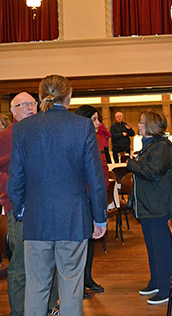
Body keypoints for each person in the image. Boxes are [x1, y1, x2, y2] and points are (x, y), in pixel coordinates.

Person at [9, 75, 107, 316]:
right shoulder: (82, 126)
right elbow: (95, 178)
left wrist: (21, 209)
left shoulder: (22, 128)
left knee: (36, 288)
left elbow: (16, 178)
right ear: (70, 96)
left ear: (40, 98)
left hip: (36, 218)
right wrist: (100, 217)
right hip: (73, 219)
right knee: (71, 287)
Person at [0, 92, 39, 316]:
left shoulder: (44, 129)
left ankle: (51, 307)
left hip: (47, 207)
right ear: (13, 111)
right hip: (20, 209)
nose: (30, 107)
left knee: (48, 262)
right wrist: (14, 185)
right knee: (21, 265)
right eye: (23, 105)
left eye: (33, 103)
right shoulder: (5, 136)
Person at [127, 110, 172, 306]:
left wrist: (131, 164)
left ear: (150, 127)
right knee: (152, 247)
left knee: (161, 248)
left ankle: (167, 289)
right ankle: (156, 281)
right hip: (151, 205)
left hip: (160, 205)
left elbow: (152, 173)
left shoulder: (162, 146)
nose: (138, 125)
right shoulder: (151, 146)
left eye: (141, 122)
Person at [73, 105, 108, 295]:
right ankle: (77, 284)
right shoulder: (78, 140)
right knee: (80, 244)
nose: (98, 123)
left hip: (94, 197)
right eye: (94, 119)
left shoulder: (97, 139)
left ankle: (87, 278)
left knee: (90, 242)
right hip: (82, 197)